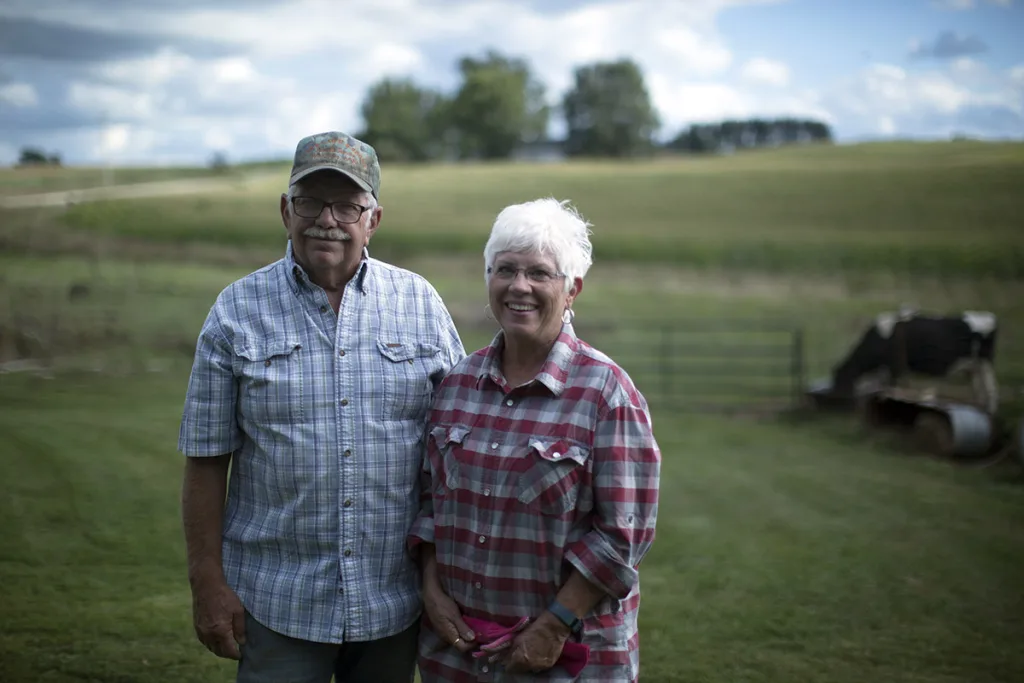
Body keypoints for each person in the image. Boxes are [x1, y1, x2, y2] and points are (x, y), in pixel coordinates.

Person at [177, 131, 466, 683]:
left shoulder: (419, 303)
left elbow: (456, 446)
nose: (325, 220)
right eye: (310, 201)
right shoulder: (236, 310)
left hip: (394, 602)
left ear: (373, 219)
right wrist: (206, 582)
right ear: (286, 210)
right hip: (276, 600)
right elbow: (205, 459)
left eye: (346, 205)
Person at [408, 198, 661, 682]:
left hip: (565, 656)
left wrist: (554, 624)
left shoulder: (607, 394)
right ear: (489, 279)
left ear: (572, 290)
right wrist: (431, 587)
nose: (519, 286)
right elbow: (429, 503)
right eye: (505, 269)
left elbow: (623, 536)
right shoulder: (457, 383)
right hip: (458, 655)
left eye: (540, 273)